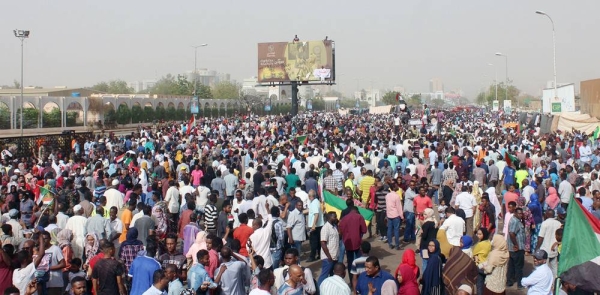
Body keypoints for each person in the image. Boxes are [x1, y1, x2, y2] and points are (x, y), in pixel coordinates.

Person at [339, 203, 367, 285]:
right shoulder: (359, 217)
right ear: (357, 211)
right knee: (359, 262)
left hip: (348, 243)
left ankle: (352, 282)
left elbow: (340, 230)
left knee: (350, 262)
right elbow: (364, 230)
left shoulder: (344, 219)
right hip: (358, 243)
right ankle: (360, 280)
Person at [536, 210, 562, 277]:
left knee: (545, 269)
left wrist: (537, 248)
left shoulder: (545, 223)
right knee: (555, 269)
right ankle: (555, 284)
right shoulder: (559, 223)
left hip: (545, 250)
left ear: (547, 215)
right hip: (554, 249)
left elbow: (541, 237)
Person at [318, 212, 339, 286]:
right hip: (328, 258)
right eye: (334, 217)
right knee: (324, 275)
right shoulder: (325, 228)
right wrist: (329, 256)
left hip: (334, 256)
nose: (336, 218)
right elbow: (323, 243)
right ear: (330, 218)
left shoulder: (334, 227)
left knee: (333, 276)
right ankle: (318, 290)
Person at [506, 208, 525, 289]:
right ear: (515, 213)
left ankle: (510, 281)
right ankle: (519, 284)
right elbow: (511, 233)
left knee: (512, 265)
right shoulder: (515, 221)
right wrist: (516, 245)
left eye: (521, 213)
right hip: (517, 248)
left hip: (514, 248)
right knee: (518, 267)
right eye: (519, 213)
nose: (520, 215)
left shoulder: (517, 220)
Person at [473, 229, 492, 295]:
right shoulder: (489, 243)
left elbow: (474, 252)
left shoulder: (480, 244)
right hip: (487, 265)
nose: (478, 235)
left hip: (480, 266)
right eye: (477, 234)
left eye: (480, 234)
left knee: (479, 285)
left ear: (484, 235)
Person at [307, 190, 324, 262]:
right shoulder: (316, 202)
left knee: (313, 242)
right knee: (318, 241)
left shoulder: (314, 203)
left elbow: (316, 214)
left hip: (315, 226)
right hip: (319, 225)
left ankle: (312, 256)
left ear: (310, 196)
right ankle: (320, 254)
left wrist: (313, 225)